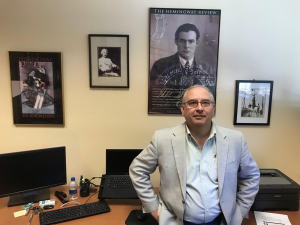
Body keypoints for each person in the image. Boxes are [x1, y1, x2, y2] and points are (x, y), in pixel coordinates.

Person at [129, 85, 260, 225]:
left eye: (205, 102)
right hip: (176, 221)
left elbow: (251, 176)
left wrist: (240, 211)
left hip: (222, 221)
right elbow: (138, 170)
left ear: (213, 108)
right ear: (182, 109)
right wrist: (153, 208)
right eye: (192, 103)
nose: (199, 108)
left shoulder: (235, 139)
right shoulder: (162, 138)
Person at [150, 23, 214, 87]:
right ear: (176, 42)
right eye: (182, 41)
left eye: (191, 41)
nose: (186, 46)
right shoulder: (160, 65)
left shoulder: (207, 68)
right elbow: (154, 93)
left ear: (197, 43)